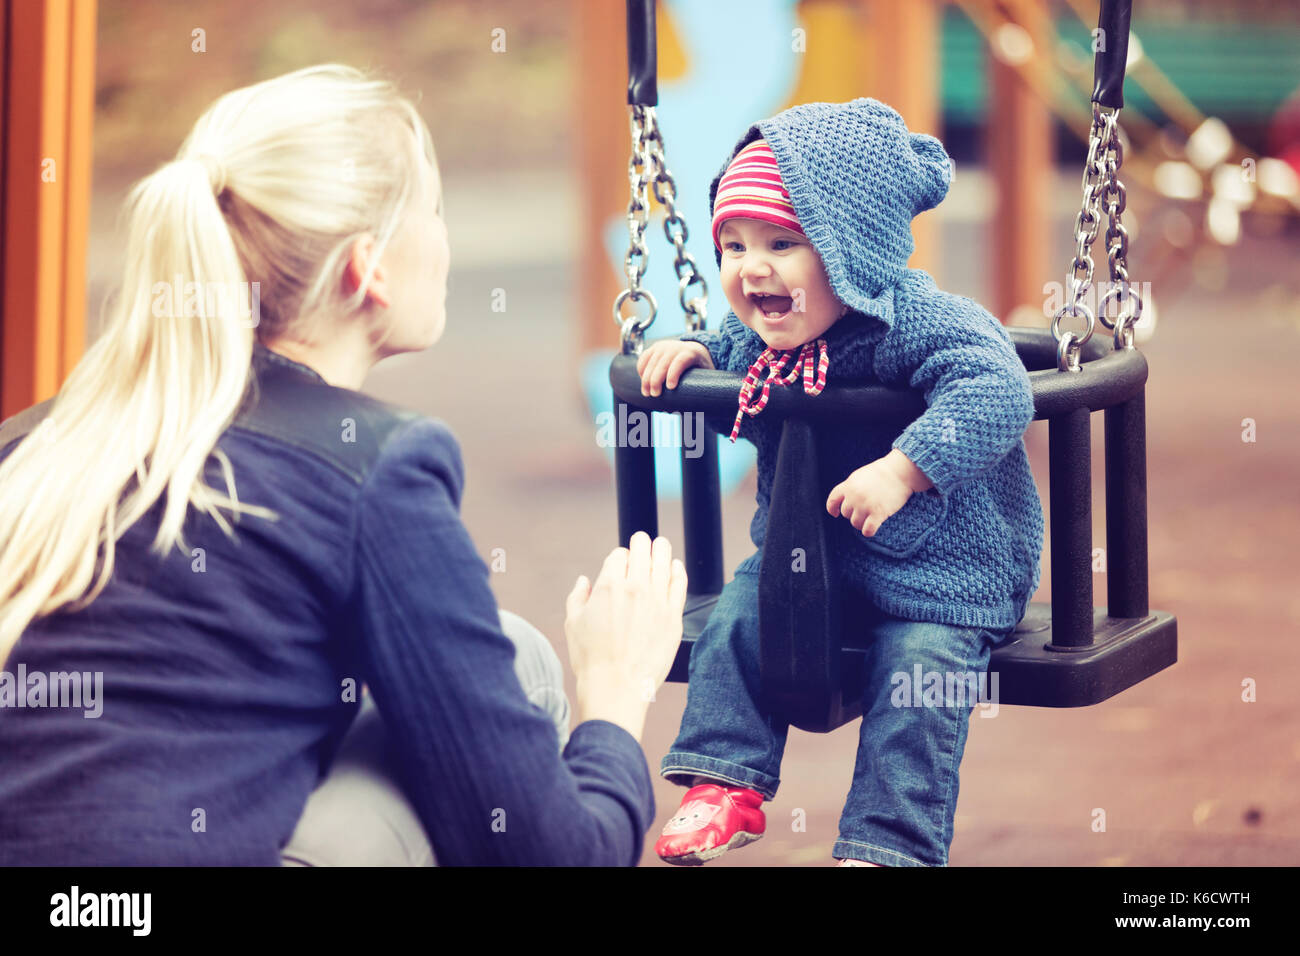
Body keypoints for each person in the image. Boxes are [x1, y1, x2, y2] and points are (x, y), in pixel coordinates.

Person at [0, 64, 687, 867]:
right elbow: (558, 856)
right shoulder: (375, 469)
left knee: (490, 652)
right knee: (527, 668)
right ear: (370, 268)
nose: (444, 234)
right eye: (432, 209)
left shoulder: (34, 443)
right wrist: (614, 696)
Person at [635, 99, 1045, 867]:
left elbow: (997, 390)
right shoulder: (763, 332)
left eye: (782, 243)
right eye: (733, 245)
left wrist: (904, 468)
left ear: (850, 249)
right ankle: (725, 785)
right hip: (812, 559)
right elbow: (723, 348)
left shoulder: (920, 322)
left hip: (946, 572)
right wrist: (692, 352)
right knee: (735, 622)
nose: (751, 267)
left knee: (921, 683)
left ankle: (886, 845)